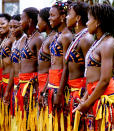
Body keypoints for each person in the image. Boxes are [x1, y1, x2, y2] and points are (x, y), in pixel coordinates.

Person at [73, 4, 114, 131]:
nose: (87, 23)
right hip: (96, 95)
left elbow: (105, 80)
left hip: (106, 98)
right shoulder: (99, 42)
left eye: (89, 19)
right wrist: (84, 100)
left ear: (98, 22)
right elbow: (94, 78)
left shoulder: (108, 44)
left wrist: (87, 104)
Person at [54, 2, 94, 130]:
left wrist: (85, 98)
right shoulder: (76, 38)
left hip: (81, 92)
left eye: (69, 14)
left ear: (78, 18)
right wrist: (60, 92)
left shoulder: (86, 39)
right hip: (72, 92)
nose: (66, 17)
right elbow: (66, 66)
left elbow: (91, 71)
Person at [45, 1, 72, 130]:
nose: (49, 18)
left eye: (52, 15)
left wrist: (60, 93)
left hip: (59, 84)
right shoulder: (57, 35)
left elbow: (66, 66)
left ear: (62, 17)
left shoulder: (66, 36)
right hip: (52, 82)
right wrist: (47, 85)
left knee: (61, 124)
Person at [16, 7, 42, 131]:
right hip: (22, 84)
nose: (20, 22)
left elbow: (42, 67)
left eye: (22, 19)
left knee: (32, 121)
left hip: (32, 87)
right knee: (24, 120)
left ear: (30, 21)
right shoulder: (26, 38)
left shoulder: (38, 39)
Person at [3, 14, 26, 130]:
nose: (12, 30)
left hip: (24, 87)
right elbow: (13, 67)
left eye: (15, 27)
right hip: (16, 86)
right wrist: (8, 90)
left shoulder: (25, 41)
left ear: (21, 26)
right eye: (10, 27)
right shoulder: (15, 42)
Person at [37, 7, 56, 130]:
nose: (37, 23)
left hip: (47, 83)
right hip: (42, 82)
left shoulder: (53, 39)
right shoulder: (47, 38)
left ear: (45, 22)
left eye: (38, 20)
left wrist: (44, 90)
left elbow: (52, 66)